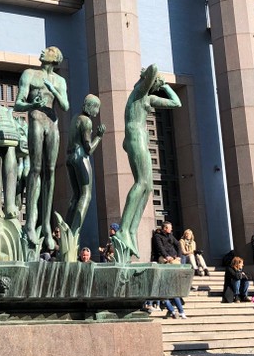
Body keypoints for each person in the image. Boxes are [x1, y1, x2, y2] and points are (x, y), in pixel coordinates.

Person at [117, 66, 181, 259]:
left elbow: (176, 103)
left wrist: (165, 85)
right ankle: (123, 229)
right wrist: (153, 77)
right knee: (142, 182)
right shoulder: (138, 93)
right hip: (135, 135)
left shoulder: (148, 98)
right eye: (155, 83)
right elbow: (153, 69)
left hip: (141, 136)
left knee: (149, 186)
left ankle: (131, 231)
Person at [14, 46, 69, 250]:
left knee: (51, 171)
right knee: (35, 169)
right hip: (36, 120)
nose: (43, 51)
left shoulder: (60, 81)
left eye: (49, 50)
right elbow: (18, 103)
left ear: (55, 58)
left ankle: (46, 226)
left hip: (52, 124)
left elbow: (64, 106)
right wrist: (32, 105)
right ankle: (30, 223)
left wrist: (53, 90)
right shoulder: (30, 74)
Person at [65, 94, 106, 236]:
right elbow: (88, 149)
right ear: (91, 106)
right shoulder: (87, 121)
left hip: (69, 157)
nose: (97, 112)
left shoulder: (75, 118)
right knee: (86, 195)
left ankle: (67, 228)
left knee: (76, 196)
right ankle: (74, 232)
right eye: (97, 108)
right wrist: (99, 136)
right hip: (80, 157)